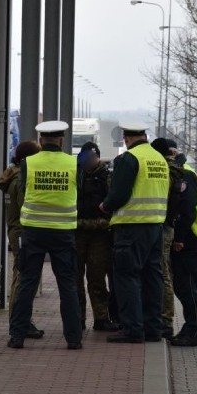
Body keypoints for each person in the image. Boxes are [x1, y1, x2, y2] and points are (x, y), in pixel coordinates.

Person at [8, 121, 83, 350]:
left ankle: (17, 337)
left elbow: (22, 189)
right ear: (62, 141)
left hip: (34, 232)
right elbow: (77, 190)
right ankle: (73, 339)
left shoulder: (28, 163)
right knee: (67, 286)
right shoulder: (73, 164)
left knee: (27, 284)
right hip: (63, 233)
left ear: (41, 142)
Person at [100, 123, 169, 343]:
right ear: (144, 136)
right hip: (155, 226)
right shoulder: (159, 159)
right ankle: (153, 329)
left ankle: (132, 329)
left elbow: (119, 194)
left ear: (126, 139)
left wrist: (105, 205)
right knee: (152, 279)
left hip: (131, 227)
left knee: (126, 277)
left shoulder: (128, 159)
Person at [0, 140, 44, 339]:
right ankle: (20, 322)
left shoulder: (14, 176)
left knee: (22, 276)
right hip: (23, 232)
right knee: (22, 279)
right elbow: (28, 207)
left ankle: (22, 321)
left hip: (18, 231)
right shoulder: (20, 180)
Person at [168, 151, 197, 347]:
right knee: (184, 286)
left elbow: (188, 209)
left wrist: (179, 238)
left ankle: (193, 329)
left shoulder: (184, 174)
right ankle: (192, 328)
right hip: (191, 237)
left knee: (186, 286)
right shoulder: (183, 171)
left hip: (191, 238)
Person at [75, 141, 118, 332]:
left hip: (99, 235)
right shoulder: (76, 175)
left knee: (97, 278)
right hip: (78, 234)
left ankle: (101, 318)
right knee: (75, 279)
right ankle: (78, 318)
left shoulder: (107, 177)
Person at [149, 138, 185, 339]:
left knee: (162, 273)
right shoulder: (177, 170)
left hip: (163, 227)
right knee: (161, 272)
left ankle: (165, 321)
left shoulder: (168, 171)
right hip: (165, 225)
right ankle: (163, 319)